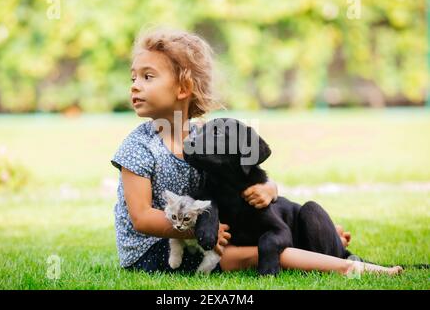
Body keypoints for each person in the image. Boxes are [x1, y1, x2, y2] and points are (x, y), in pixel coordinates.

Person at [111, 27, 402, 276]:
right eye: (133, 77)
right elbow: (142, 218)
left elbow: (245, 177)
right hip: (154, 250)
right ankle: (346, 267)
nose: (135, 85)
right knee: (252, 253)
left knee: (265, 236)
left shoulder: (204, 137)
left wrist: (269, 189)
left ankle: (326, 247)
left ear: (184, 88)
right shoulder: (138, 148)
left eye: (148, 77)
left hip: (209, 235)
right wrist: (198, 228)